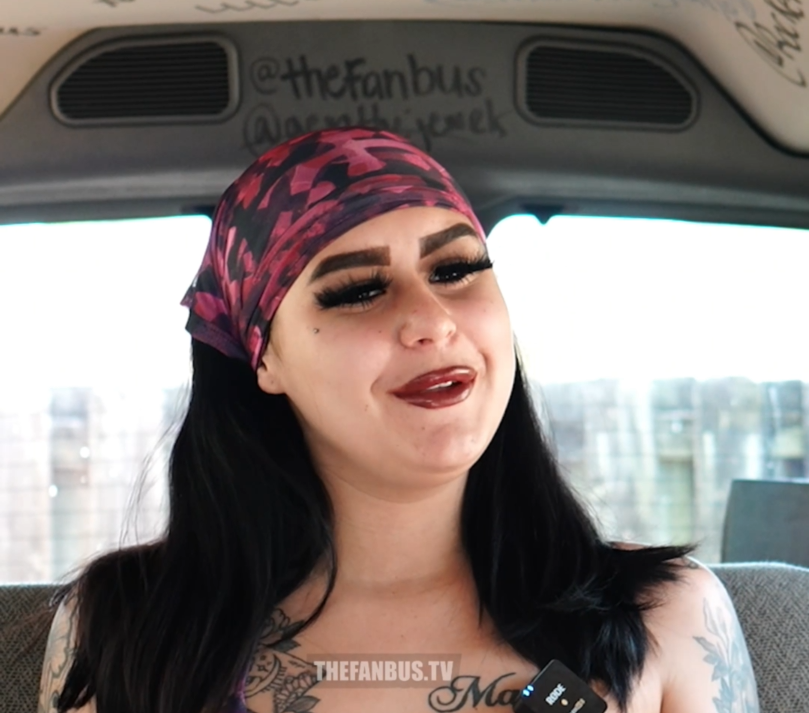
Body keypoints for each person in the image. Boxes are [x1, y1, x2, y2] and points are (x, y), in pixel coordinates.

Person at [38, 127, 759, 713]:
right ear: (265, 359)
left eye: (456, 269)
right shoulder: (123, 627)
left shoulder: (667, 617)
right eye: (357, 289)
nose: (431, 320)